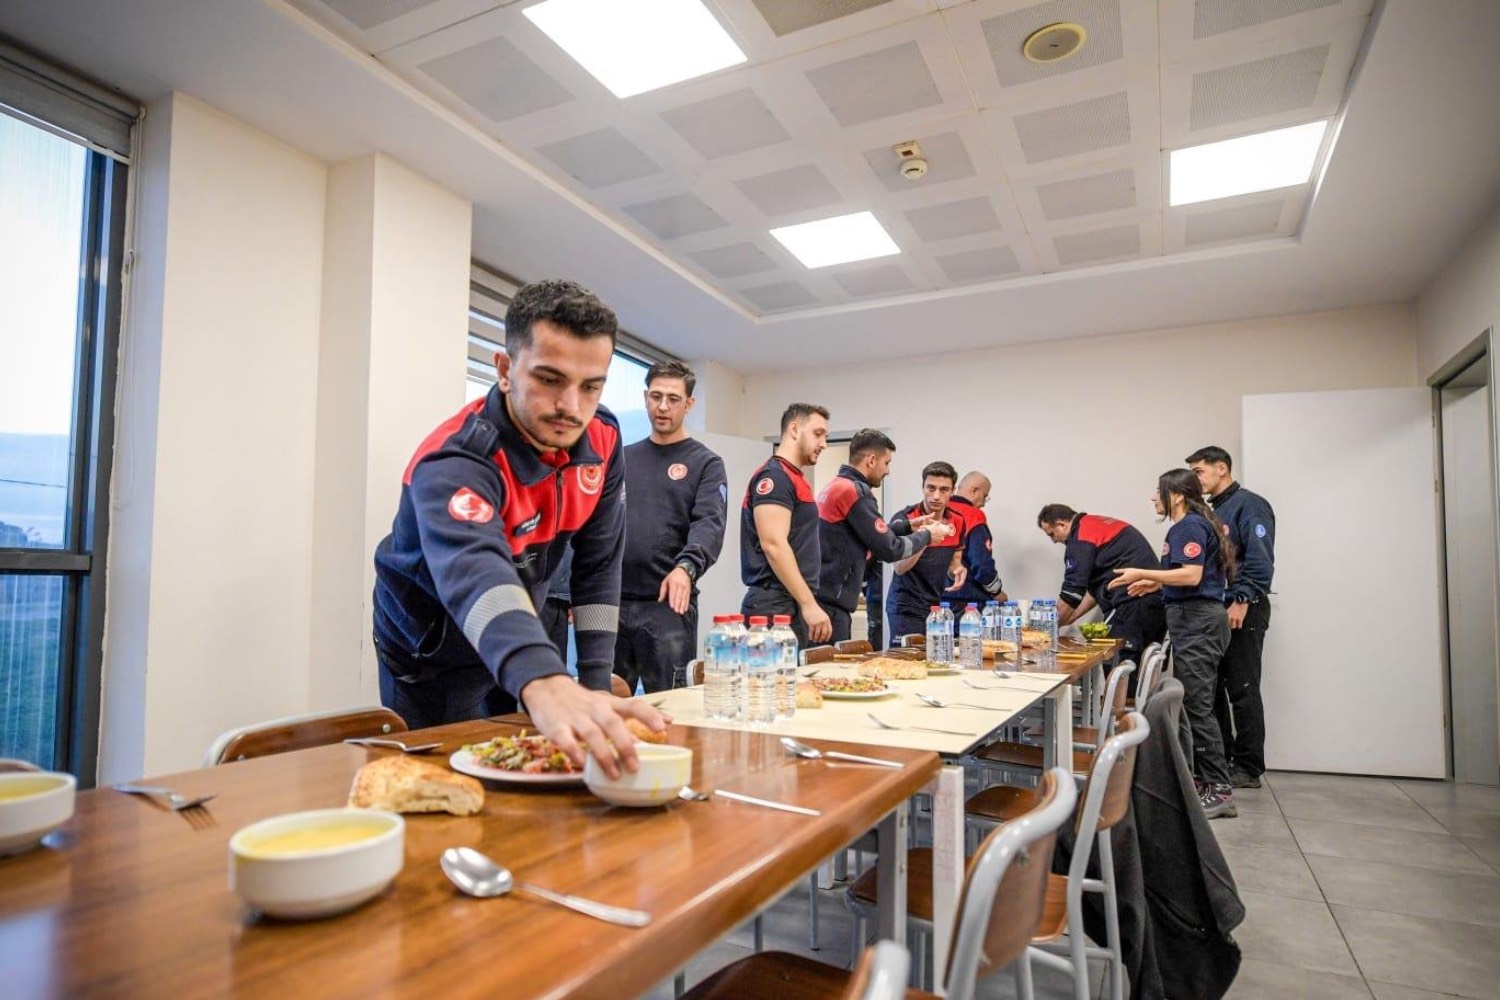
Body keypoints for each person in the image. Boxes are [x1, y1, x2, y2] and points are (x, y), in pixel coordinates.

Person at [371, 279, 660, 777]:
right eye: (550, 379)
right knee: (439, 780)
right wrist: (544, 679)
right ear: (505, 369)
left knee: (533, 765)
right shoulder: (453, 462)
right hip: (434, 651)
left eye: (590, 386)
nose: (571, 406)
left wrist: (593, 685)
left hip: (521, 626)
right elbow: (478, 576)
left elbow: (598, 566)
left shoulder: (603, 438)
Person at [1109, 468, 1238, 819]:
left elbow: (1192, 575)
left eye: (1159, 491)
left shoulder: (1188, 526)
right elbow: (1193, 577)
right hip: (1193, 620)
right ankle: (1203, 782)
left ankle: (1219, 789)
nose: (1154, 497)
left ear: (1177, 495)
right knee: (1195, 703)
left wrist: (1143, 572)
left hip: (1198, 622)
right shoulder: (1191, 525)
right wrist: (1157, 584)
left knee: (1197, 705)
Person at [614, 361, 727, 694]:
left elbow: (709, 523)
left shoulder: (706, 463)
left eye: (673, 399)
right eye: (656, 396)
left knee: (670, 706)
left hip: (668, 607)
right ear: (645, 398)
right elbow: (597, 524)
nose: (663, 406)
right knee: (605, 706)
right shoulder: (622, 459)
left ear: (688, 404)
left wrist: (686, 567)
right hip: (614, 602)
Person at [1188, 445, 1277, 790]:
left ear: (1221, 468)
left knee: (1242, 688)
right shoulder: (1217, 509)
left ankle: (1249, 767)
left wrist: (1243, 598)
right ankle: (1222, 758)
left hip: (1244, 607)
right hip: (1220, 609)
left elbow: (1259, 559)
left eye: (1199, 471)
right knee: (1215, 688)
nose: (1196, 479)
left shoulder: (1250, 505)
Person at [814, 429, 952, 644]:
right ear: (871, 460)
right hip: (830, 604)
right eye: (886, 463)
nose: (887, 471)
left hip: (822, 598)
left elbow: (868, 533)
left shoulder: (835, 486)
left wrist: (908, 526)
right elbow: (890, 549)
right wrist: (927, 535)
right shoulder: (856, 492)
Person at [1037, 504, 1166, 677]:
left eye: (1052, 534)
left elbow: (1071, 593)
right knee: (1140, 673)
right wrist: (1066, 620)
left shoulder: (1081, 537)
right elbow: (1093, 593)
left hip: (1132, 605)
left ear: (1061, 524)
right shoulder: (1095, 525)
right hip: (1151, 604)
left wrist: (1046, 631)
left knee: (1115, 670)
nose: (1054, 540)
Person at [740, 403, 831, 647]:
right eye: (818, 434)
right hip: (772, 603)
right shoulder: (775, 478)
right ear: (794, 429)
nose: (823, 443)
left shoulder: (794, 477)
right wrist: (809, 604)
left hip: (789, 601)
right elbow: (773, 544)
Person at [887, 461, 968, 641]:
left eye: (944, 490)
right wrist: (925, 537)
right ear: (922, 487)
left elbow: (955, 561)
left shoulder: (958, 520)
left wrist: (958, 570)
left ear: (953, 491)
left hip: (935, 605)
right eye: (931, 488)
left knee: (935, 655)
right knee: (907, 657)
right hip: (905, 604)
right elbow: (899, 568)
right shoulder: (906, 519)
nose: (936, 496)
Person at [944, 471, 1007, 606]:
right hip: (966, 600)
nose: (983, 503)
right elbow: (981, 565)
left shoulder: (934, 512)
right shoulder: (973, 516)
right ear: (974, 491)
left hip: (933, 602)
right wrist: (996, 592)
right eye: (984, 496)